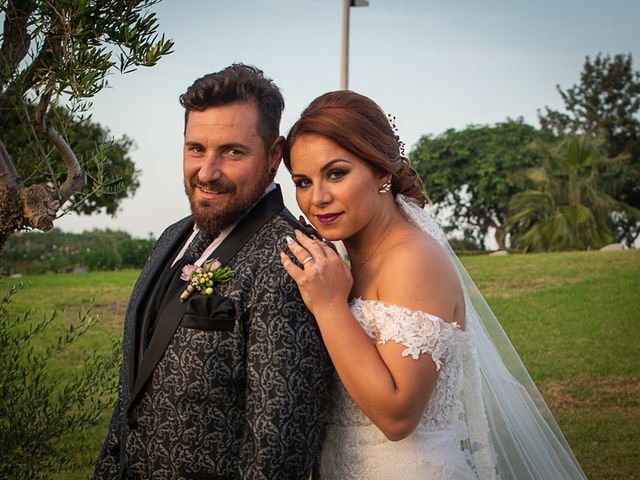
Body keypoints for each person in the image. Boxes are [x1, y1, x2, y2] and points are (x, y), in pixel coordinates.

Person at [280, 90, 587, 479]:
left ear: (382, 172)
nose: (317, 198)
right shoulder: (348, 266)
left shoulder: (413, 260)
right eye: (303, 182)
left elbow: (397, 415)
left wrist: (328, 307)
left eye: (336, 173)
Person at [94, 64, 331, 479]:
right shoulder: (172, 236)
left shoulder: (292, 262)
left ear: (274, 155)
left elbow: (278, 452)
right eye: (196, 148)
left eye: (232, 152)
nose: (206, 172)